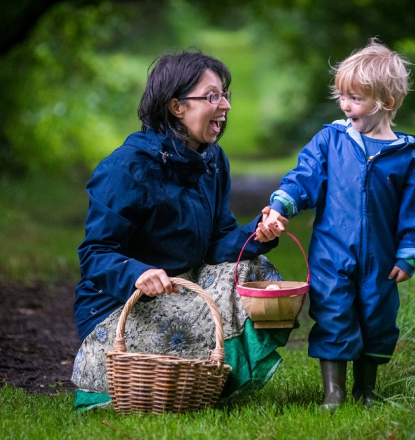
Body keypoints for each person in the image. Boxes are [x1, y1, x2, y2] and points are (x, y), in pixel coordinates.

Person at [71, 49, 289, 411]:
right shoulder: (126, 168)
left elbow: (218, 242)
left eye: (225, 95)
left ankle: (208, 382)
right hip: (120, 304)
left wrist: (258, 234)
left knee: (254, 272)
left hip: (182, 284)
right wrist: (138, 274)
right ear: (176, 107)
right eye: (212, 96)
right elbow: (95, 254)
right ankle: (142, 383)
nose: (226, 107)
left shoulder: (212, 160)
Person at [256, 38, 415, 411]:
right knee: (334, 313)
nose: (345, 105)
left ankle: (366, 390)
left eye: (355, 98)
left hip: (381, 260)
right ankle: (333, 393)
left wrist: (410, 252)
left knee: (377, 319)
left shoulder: (407, 159)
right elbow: (304, 177)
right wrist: (281, 204)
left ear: (385, 101)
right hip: (332, 256)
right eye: (342, 96)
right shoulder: (330, 141)